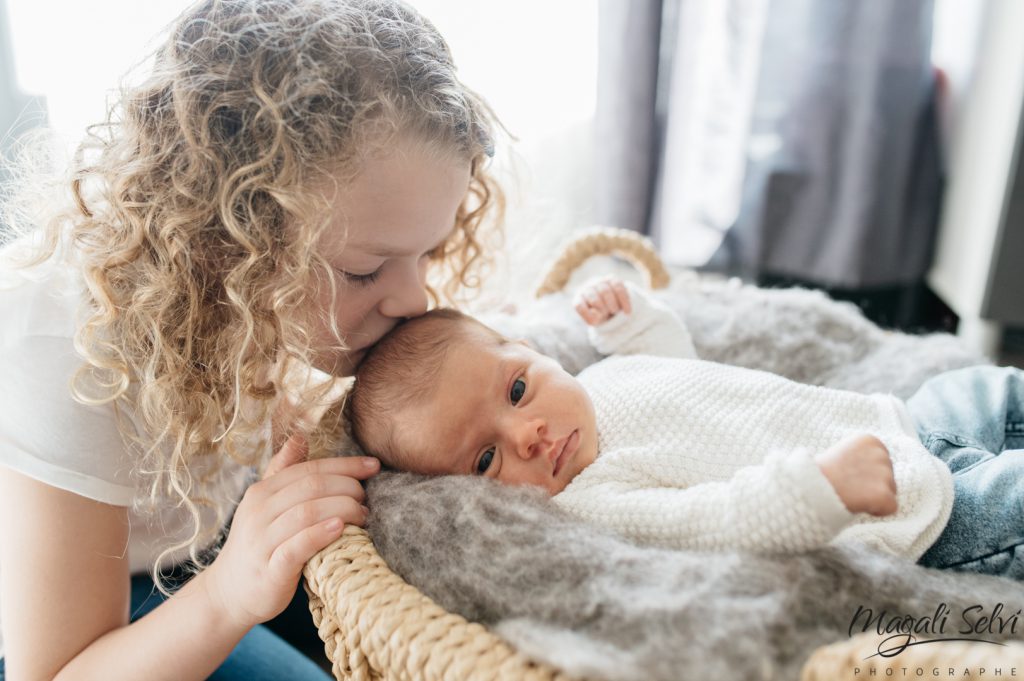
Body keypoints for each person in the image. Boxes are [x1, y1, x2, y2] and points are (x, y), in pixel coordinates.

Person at [0, 0, 504, 678]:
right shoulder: (67, 339)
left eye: (427, 253)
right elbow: (52, 671)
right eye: (365, 268)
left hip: (187, 542)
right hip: (70, 625)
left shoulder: (238, 290)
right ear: (226, 236)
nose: (415, 298)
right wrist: (227, 594)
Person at [347, 277, 1024, 579]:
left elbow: (674, 364)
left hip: (898, 419)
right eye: (486, 459)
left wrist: (629, 321)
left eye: (518, 389)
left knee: (988, 388)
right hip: (919, 516)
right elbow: (720, 519)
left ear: (530, 348)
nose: (526, 434)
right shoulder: (594, 498)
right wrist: (823, 489)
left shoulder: (600, 381)